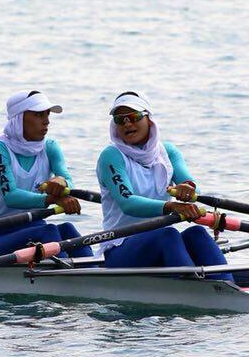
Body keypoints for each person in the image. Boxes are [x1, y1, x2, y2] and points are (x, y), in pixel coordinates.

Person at [95, 91, 231, 279]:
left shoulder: (167, 151)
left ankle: (227, 287)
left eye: (134, 117)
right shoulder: (111, 156)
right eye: (120, 119)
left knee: (197, 233)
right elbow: (128, 204)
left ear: (149, 119)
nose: (127, 123)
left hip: (160, 243)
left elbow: (193, 187)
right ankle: (195, 292)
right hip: (120, 248)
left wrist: (187, 189)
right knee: (168, 235)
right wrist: (171, 206)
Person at [0, 90, 93, 259]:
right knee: (49, 231)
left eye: (47, 115)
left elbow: (68, 180)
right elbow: (11, 196)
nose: (46, 121)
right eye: (39, 115)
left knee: (68, 229)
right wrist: (53, 199)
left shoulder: (50, 147)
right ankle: (65, 279)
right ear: (19, 119)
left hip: (36, 226)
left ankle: (93, 269)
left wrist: (62, 182)